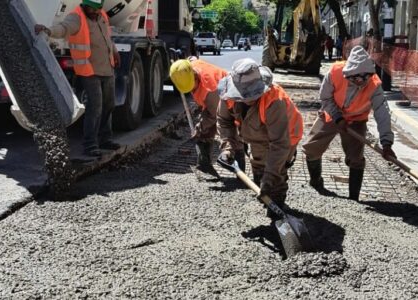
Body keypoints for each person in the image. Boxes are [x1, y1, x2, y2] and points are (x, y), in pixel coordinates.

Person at [302, 47, 395, 201]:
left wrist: (386, 143)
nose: (358, 82)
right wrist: (338, 118)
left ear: (368, 75)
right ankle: (316, 183)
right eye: (353, 79)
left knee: (356, 159)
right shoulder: (335, 72)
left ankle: (354, 199)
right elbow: (325, 97)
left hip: (356, 119)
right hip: (332, 114)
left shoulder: (374, 86)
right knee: (312, 148)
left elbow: (382, 113)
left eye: (362, 80)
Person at [216, 58, 304, 220]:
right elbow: (224, 121)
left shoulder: (274, 101)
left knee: (275, 173)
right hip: (256, 133)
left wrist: (269, 179)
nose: (247, 98)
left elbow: (279, 144)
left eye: (251, 95)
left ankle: (277, 211)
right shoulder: (228, 94)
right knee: (258, 165)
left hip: (286, 134)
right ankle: (266, 199)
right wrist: (227, 147)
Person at [35, 0, 121, 159]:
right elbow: (63, 29)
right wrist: (48, 30)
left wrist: (114, 51)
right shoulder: (77, 17)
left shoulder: (101, 15)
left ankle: (105, 139)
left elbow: (106, 36)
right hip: (89, 71)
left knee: (109, 104)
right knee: (95, 107)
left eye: (98, 9)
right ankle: (90, 145)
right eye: (93, 9)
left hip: (107, 68)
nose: (96, 12)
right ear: (85, 5)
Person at [168, 57, 228, 173]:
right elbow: (190, 60)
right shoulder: (188, 68)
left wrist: (199, 127)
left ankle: (240, 170)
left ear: (195, 76)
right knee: (204, 129)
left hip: (228, 103)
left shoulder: (211, 89)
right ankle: (204, 165)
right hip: (212, 102)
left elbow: (213, 115)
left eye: (193, 87)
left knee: (232, 136)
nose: (192, 90)